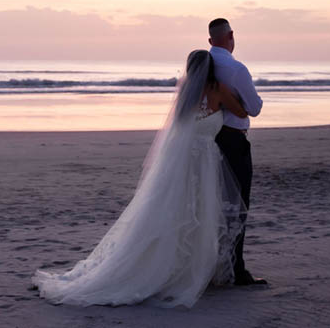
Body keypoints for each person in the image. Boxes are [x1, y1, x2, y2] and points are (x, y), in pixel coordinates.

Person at [32, 50, 250, 307]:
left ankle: (177, 267)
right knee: (200, 215)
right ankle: (190, 271)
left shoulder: (185, 96)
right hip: (205, 162)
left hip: (185, 163)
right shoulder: (218, 90)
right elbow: (243, 112)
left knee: (180, 215)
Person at [208, 18, 266, 285]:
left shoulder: (201, 66)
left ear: (210, 41)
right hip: (232, 141)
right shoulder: (235, 68)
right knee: (238, 205)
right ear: (231, 35)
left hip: (206, 142)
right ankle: (235, 269)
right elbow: (253, 108)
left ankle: (210, 266)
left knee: (209, 205)